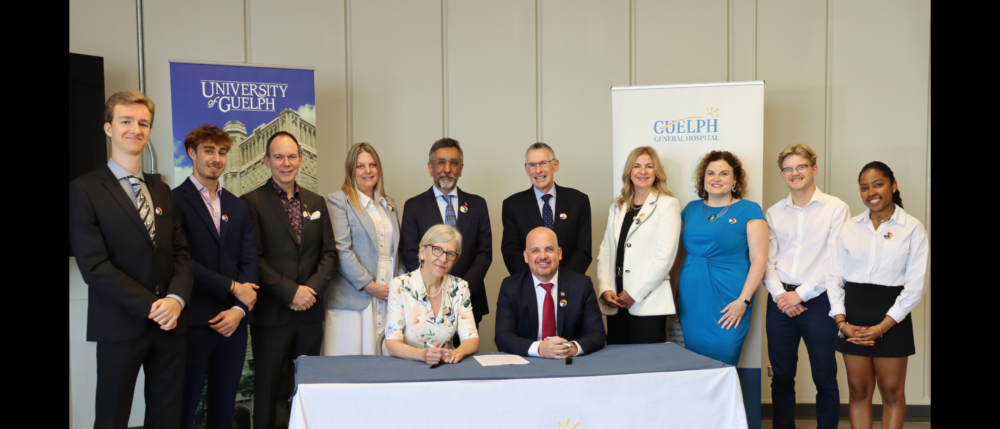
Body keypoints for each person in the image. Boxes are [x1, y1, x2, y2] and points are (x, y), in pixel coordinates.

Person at [69, 90, 193, 429]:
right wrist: (155, 306)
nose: (135, 129)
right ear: (108, 128)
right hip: (119, 325)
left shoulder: (161, 189)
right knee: (111, 419)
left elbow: (180, 252)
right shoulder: (85, 189)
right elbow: (94, 266)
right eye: (126, 121)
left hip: (170, 325)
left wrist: (176, 300)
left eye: (143, 123)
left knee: (167, 417)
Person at [241, 131, 337, 429]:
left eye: (292, 156)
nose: (286, 163)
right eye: (279, 157)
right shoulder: (251, 202)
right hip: (272, 315)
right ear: (267, 160)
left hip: (310, 315)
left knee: (307, 390)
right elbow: (253, 259)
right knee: (268, 389)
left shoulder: (316, 201)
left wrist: (310, 292)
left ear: (301, 159)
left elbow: (329, 255)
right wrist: (291, 292)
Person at [828, 161, 927, 429]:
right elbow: (834, 277)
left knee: (892, 393)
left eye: (878, 184)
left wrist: (882, 328)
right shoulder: (849, 227)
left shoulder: (913, 228)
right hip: (852, 320)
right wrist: (841, 323)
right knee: (858, 391)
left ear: (893, 186)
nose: (871, 191)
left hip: (892, 319)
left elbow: (915, 288)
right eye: (864, 187)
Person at [172, 125, 259, 429]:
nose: (216, 158)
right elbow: (182, 262)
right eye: (209, 150)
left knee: (224, 410)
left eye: (222, 152)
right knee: (185, 407)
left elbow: (249, 259)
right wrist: (233, 287)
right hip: (193, 322)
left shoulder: (238, 206)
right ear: (191, 153)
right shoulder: (174, 202)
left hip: (233, 324)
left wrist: (238, 310)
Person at [763, 144, 849, 429]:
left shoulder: (836, 209)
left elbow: (836, 262)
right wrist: (782, 296)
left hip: (820, 301)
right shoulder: (774, 212)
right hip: (779, 303)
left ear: (814, 169)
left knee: (824, 375)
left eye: (800, 167)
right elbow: (766, 261)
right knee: (783, 375)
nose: (794, 173)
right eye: (788, 168)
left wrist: (799, 294)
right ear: (782, 174)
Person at [675, 150, 767, 366]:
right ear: (703, 178)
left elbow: (760, 259)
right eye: (711, 173)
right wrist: (673, 297)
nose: (716, 179)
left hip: (731, 299)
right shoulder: (690, 209)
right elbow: (678, 257)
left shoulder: (749, 210)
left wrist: (743, 301)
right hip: (691, 299)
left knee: (723, 363)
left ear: (735, 179)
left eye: (724, 174)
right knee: (695, 365)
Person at [400, 138, 493, 339]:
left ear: (461, 168)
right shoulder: (413, 206)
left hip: (469, 298)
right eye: (441, 162)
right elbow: (409, 253)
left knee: (466, 362)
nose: (447, 169)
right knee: (429, 362)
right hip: (426, 301)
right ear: (430, 167)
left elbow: (485, 253)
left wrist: (461, 290)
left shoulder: (477, 204)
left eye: (454, 163)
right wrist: (433, 288)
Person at [595, 146, 681, 344]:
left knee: (647, 368)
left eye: (649, 166)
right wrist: (605, 288)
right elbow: (606, 250)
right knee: (618, 367)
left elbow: (664, 259)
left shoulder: (667, 205)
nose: (643, 171)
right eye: (637, 166)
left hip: (647, 304)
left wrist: (633, 293)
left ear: (656, 172)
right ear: (629, 172)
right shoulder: (617, 206)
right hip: (616, 303)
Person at [323, 142, 402, 355]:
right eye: (360, 166)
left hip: (388, 297)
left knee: (383, 364)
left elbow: (397, 251)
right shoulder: (338, 201)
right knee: (349, 367)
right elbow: (342, 251)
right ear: (351, 170)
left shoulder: (390, 204)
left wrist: (399, 288)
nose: (368, 171)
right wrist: (370, 285)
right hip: (353, 299)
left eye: (372, 165)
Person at [495, 227, 606, 358]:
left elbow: (597, 333)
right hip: (529, 364)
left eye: (549, 249)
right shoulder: (510, 287)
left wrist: (572, 348)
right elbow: (503, 336)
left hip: (570, 364)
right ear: (526, 256)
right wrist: (539, 349)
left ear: (559, 253)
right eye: (535, 250)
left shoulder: (582, 285)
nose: (543, 256)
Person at [386, 225, 480, 364]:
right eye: (437, 249)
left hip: (445, 366)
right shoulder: (400, 285)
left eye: (450, 254)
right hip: (408, 365)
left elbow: (471, 339)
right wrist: (424, 355)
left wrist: (457, 353)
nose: (443, 259)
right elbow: (392, 344)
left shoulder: (459, 287)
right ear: (422, 252)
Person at [501, 142, 592, 275]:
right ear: (527, 169)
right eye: (532, 165)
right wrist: (536, 283)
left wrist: (562, 282)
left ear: (555, 165)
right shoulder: (512, 205)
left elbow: (583, 250)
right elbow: (511, 253)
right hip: (530, 288)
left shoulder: (578, 201)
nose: (538, 170)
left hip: (570, 286)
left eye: (543, 163)